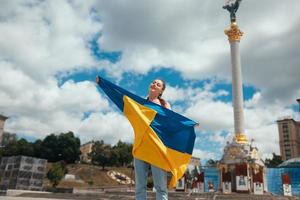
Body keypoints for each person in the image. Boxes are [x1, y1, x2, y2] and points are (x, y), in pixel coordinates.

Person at [134, 79, 171, 200]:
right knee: (140, 186)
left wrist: (188, 125)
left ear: (161, 91)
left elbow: (173, 122)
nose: (154, 84)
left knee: (160, 186)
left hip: (157, 147)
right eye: (153, 82)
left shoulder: (165, 105)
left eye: (158, 84)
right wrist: (102, 83)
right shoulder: (140, 103)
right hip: (141, 146)